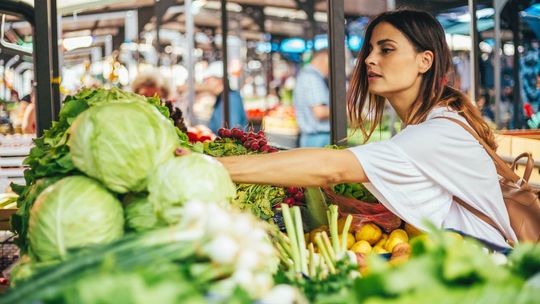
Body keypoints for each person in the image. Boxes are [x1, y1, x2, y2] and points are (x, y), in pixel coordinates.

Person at [179, 9, 517, 251]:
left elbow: (331, 167)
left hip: (482, 268)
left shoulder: (436, 133)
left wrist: (213, 165)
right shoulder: (432, 121)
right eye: (369, 50)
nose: (369, 59)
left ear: (424, 61)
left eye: (386, 49)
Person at [292, 49, 331, 147]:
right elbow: (320, 112)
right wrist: (348, 110)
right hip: (317, 138)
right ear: (325, 60)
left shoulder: (305, 74)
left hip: (311, 138)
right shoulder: (312, 78)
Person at [202, 61, 248, 134]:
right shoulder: (222, 98)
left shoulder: (231, 99)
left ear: (219, 80)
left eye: (208, 79)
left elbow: (231, 131)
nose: (206, 83)